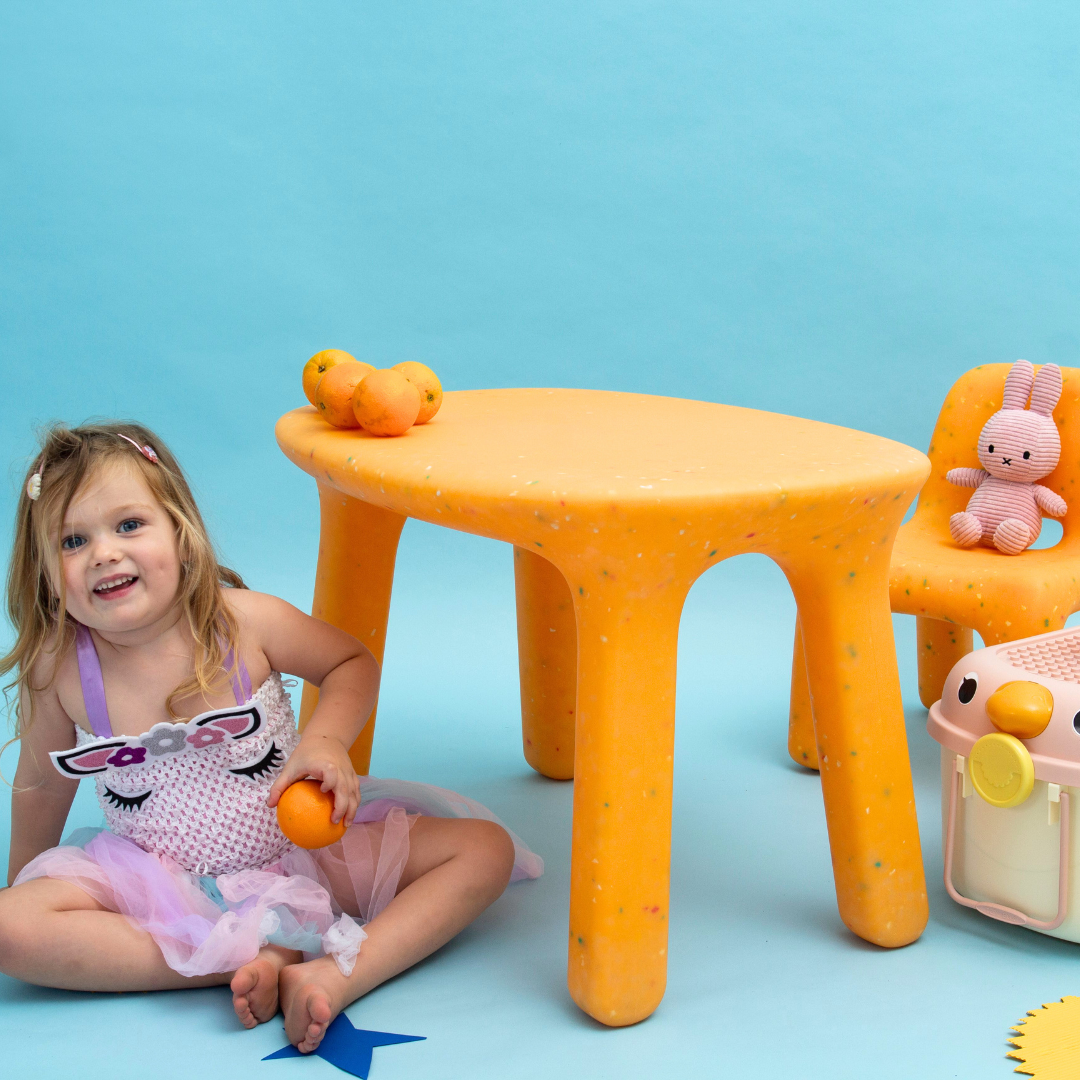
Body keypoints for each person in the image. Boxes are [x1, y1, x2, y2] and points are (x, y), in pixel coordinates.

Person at [0, 422, 541, 1052]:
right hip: (159, 886)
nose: (104, 553)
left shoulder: (243, 623)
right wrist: (24, 886)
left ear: (180, 529)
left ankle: (336, 974)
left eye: (128, 525)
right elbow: (40, 784)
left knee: (483, 849)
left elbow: (349, 664)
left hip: (302, 857)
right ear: (43, 572)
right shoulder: (60, 668)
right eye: (73, 540)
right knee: (7, 929)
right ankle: (237, 957)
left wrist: (325, 741)